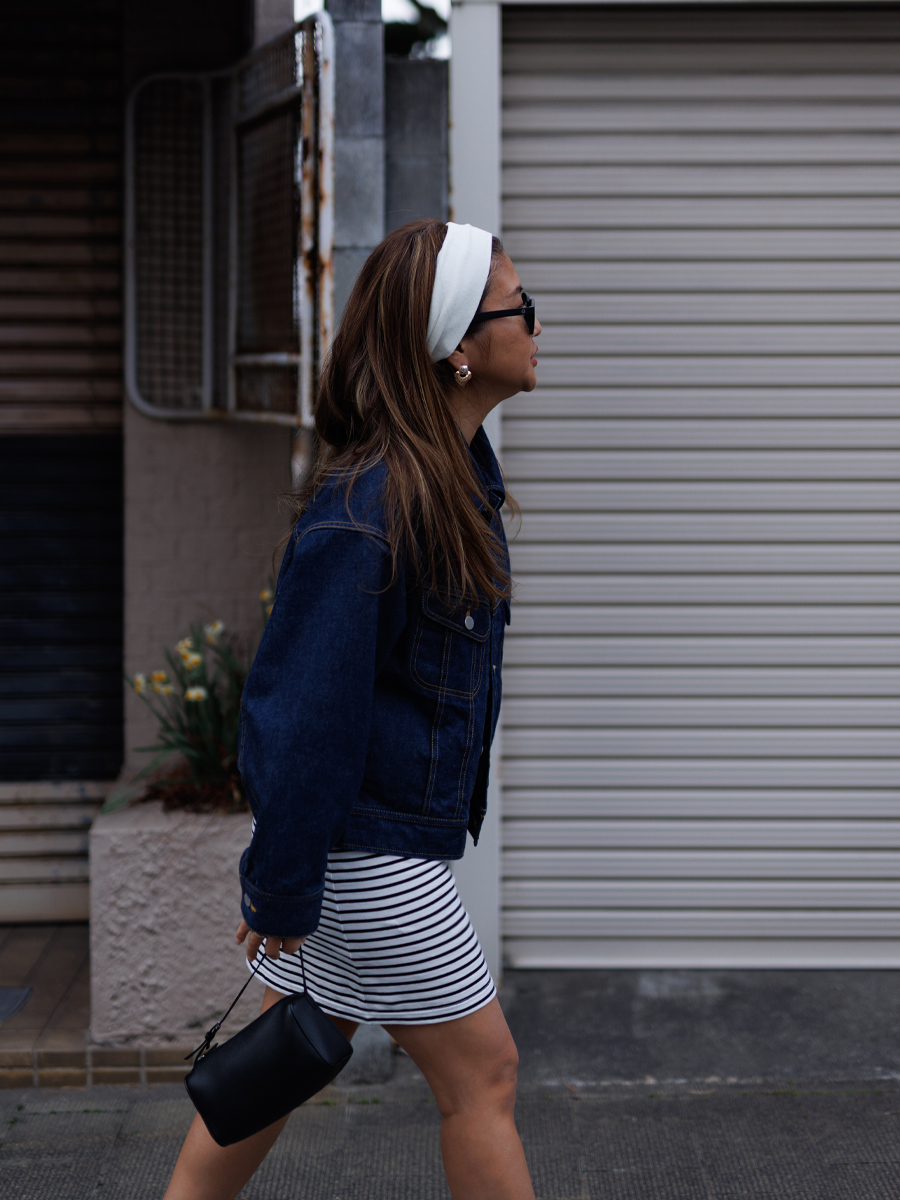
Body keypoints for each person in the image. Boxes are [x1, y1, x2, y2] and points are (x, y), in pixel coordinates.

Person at [163, 219, 542, 1200]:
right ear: (460, 346)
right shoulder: (372, 509)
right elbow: (301, 712)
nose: (540, 325)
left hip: (367, 840)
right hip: (366, 851)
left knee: (279, 1064)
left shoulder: (455, 482)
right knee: (485, 1076)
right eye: (522, 308)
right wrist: (281, 886)